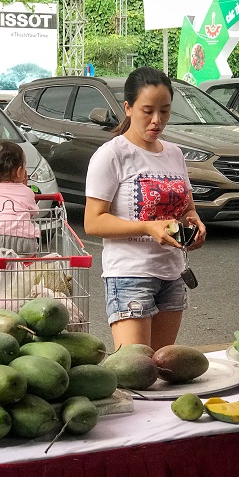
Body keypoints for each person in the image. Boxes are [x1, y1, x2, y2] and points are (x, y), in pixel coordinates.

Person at [84, 66, 206, 351]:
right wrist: (147, 227)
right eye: (147, 110)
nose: (156, 120)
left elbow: (187, 207)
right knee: (136, 372)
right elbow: (93, 221)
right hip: (129, 276)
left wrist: (194, 223)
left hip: (173, 274)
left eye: (164, 111)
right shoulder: (112, 154)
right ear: (128, 108)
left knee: (164, 369)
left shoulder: (174, 153)